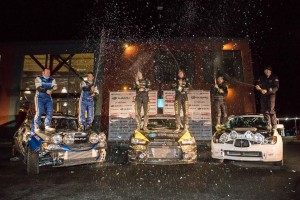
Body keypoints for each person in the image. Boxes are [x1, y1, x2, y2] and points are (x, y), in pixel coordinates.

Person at [34, 68, 57, 133]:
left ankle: (47, 125)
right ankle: (36, 125)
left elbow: (54, 86)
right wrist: (46, 91)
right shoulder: (38, 78)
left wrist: (54, 88)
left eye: (49, 72)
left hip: (48, 98)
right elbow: (38, 88)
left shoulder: (52, 79)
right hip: (39, 98)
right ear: (43, 73)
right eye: (47, 72)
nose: (48, 74)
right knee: (39, 111)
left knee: (50, 111)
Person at [255, 66, 279, 130]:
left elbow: (276, 87)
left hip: (271, 95)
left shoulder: (274, 77)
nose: (267, 72)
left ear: (270, 71)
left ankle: (274, 126)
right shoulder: (261, 78)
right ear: (264, 71)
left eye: (268, 70)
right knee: (264, 111)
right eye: (266, 70)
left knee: (271, 110)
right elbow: (258, 85)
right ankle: (268, 125)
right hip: (263, 96)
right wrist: (258, 88)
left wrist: (267, 90)